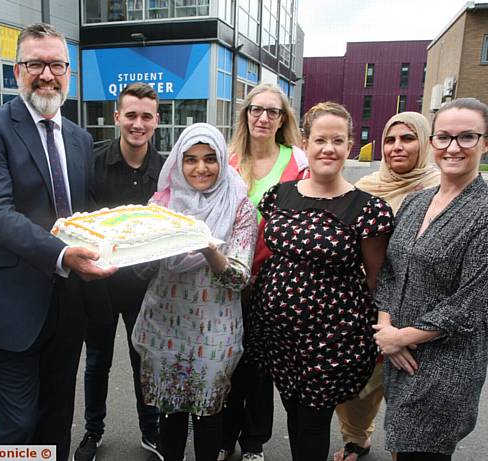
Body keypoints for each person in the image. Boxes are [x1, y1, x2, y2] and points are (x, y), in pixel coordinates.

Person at [0, 23, 116, 461]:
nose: (46, 75)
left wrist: (120, 241)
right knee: (18, 424)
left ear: (69, 72)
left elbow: (84, 215)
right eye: (35, 64)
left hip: (67, 306)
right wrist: (63, 254)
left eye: (56, 65)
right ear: (17, 71)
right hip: (11, 307)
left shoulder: (79, 137)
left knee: (56, 418)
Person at [244, 102, 393, 461]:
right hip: (277, 335)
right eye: (321, 139)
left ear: (350, 146)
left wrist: (382, 330)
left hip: (330, 340)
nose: (329, 148)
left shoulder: (367, 209)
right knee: (293, 412)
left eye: (338, 140)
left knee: (312, 421)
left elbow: (377, 278)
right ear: (305, 143)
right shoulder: (279, 195)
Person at [132, 123, 257, 461]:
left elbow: (239, 278)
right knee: (170, 411)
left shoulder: (239, 206)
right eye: (190, 160)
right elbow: (142, 269)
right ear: (178, 162)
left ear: (221, 160)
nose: (201, 168)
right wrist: (135, 246)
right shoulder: (161, 204)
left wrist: (206, 247)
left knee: (208, 411)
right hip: (165, 324)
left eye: (210, 159)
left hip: (215, 329)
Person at [373, 97, 488, 461]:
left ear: (485, 143)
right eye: (444, 137)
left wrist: (400, 337)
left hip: (445, 364)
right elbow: (390, 271)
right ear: (433, 142)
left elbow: (472, 300)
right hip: (399, 356)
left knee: (423, 451)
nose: (453, 147)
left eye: (467, 137)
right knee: (401, 445)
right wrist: (386, 328)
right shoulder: (415, 202)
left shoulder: (483, 211)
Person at [333, 111, 440, 461]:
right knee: (355, 387)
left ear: (425, 143)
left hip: (417, 314)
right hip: (364, 305)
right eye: (390, 140)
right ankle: (357, 438)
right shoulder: (364, 189)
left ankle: (402, 449)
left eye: (408, 139)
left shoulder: (442, 189)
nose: (397, 147)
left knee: (408, 390)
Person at [73, 83, 163, 461]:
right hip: (99, 282)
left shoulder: (166, 169)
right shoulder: (91, 162)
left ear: (156, 121)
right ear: (117, 118)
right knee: (97, 362)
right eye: (131, 115)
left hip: (147, 285)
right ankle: (93, 431)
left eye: (146, 116)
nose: (137, 124)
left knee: (146, 362)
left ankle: (151, 432)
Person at [221, 83, 309, 461]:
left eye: (272, 112)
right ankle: (224, 437)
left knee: (259, 366)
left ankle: (254, 441)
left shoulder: (297, 160)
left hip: (274, 280)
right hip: (227, 276)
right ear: (246, 114)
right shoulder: (227, 159)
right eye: (256, 109)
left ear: (282, 119)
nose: (263, 117)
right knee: (227, 359)